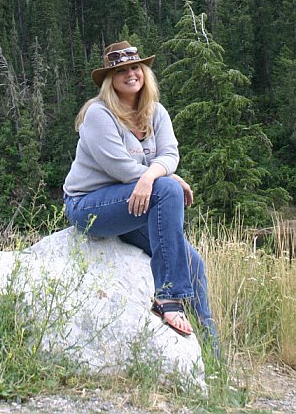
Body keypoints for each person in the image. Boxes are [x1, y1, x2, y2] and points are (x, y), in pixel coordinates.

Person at [63, 41, 218, 342]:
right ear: (110, 78)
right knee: (167, 190)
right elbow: (119, 167)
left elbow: (170, 155)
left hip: (134, 204)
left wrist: (160, 174)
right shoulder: (99, 114)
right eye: (120, 70)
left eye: (135, 67)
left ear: (144, 71)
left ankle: (212, 355)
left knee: (192, 262)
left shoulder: (155, 112)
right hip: (90, 205)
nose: (130, 74)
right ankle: (168, 298)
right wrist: (159, 178)